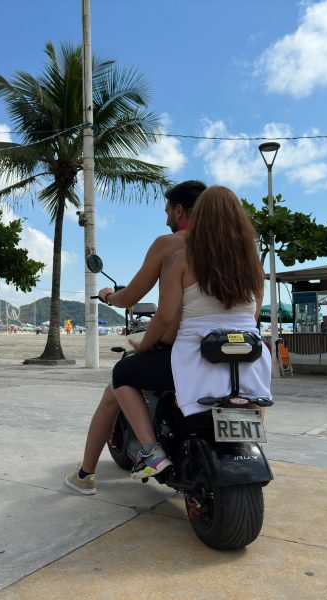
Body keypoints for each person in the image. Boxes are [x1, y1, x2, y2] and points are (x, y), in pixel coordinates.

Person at [111, 185, 270, 481]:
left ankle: (150, 450)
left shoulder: (184, 258)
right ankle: (250, 439)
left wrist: (144, 345)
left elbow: (166, 316)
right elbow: (253, 315)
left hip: (195, 361)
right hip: (248, 363)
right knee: (254, 396)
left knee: (122, 374)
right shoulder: (252, 265)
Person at [65, 179, 207, 495]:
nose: (166, 218)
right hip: (217, 348)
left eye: (168, 210)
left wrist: (107, 297)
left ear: (180, 210)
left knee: (116, 385)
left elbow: (131, 297)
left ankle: (87, 474)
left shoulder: (169, 245)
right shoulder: (221, 247)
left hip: (174, 348)